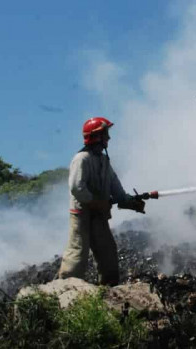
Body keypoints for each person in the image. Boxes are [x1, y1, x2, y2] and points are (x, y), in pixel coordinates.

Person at [58, 117, 145, 286]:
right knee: (77, 253)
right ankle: (65, 290)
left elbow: (115, 188)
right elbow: (77, 188)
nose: (109, 138)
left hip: (98, 215)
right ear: (96, 136)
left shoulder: (104, 161)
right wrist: (97, 203)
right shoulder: (81, 159)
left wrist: (130, 202)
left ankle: (108, 289)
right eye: (106, 134)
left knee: (107, 252)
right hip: (81, 214)